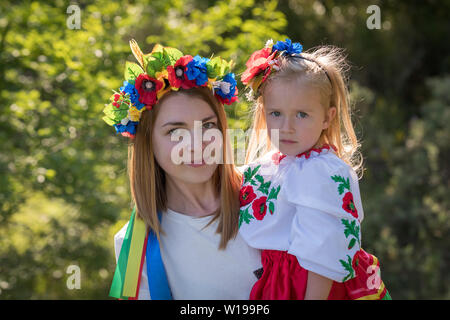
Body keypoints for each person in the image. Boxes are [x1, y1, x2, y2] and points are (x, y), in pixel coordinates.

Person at [104, 40, 262, 299]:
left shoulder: (269, 189)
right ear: (148, 143)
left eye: (208, 126)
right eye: (175, 132)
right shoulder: (134, 246)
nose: (196, 144)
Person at [238, 38, 391, 300]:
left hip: (312, 287)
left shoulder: (322, 172)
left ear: (327, 118)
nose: (286, 127)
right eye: (276, 113)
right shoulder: (274, 164)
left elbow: (325, 252)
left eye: (301, 115)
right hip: (279, 283)